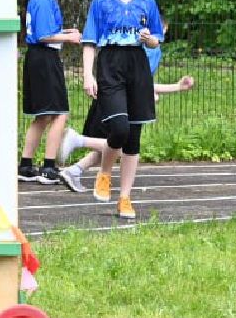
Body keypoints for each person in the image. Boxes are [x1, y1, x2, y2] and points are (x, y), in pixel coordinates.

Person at [54, 0, 164, 222]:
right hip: (110, 64)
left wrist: (149, 40)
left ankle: (125, 198)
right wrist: (88, 75)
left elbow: (156, 41)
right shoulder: (100, 3)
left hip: (137, 66)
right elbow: (89, 41)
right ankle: (104, 172)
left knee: (134, 137)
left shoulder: (147, 2)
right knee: (118, 128)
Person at [60, 28, 192, 199]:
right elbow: (135, 81)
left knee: (117, 144)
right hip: (114, 96)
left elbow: (142, 83)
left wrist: (175, 87)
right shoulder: (141, 46)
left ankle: (75, 170)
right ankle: (78, 141)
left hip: (114, 92)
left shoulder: (145, 46)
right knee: (122, 144)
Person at [18, 0, 83, 190]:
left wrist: (64, 31)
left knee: (43, 115)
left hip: (36, 58)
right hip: (45, 58)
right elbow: (44, 36)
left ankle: (25, 165)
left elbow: (41, 29)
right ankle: (48, 167)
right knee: (59, 113)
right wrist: (70, 37)